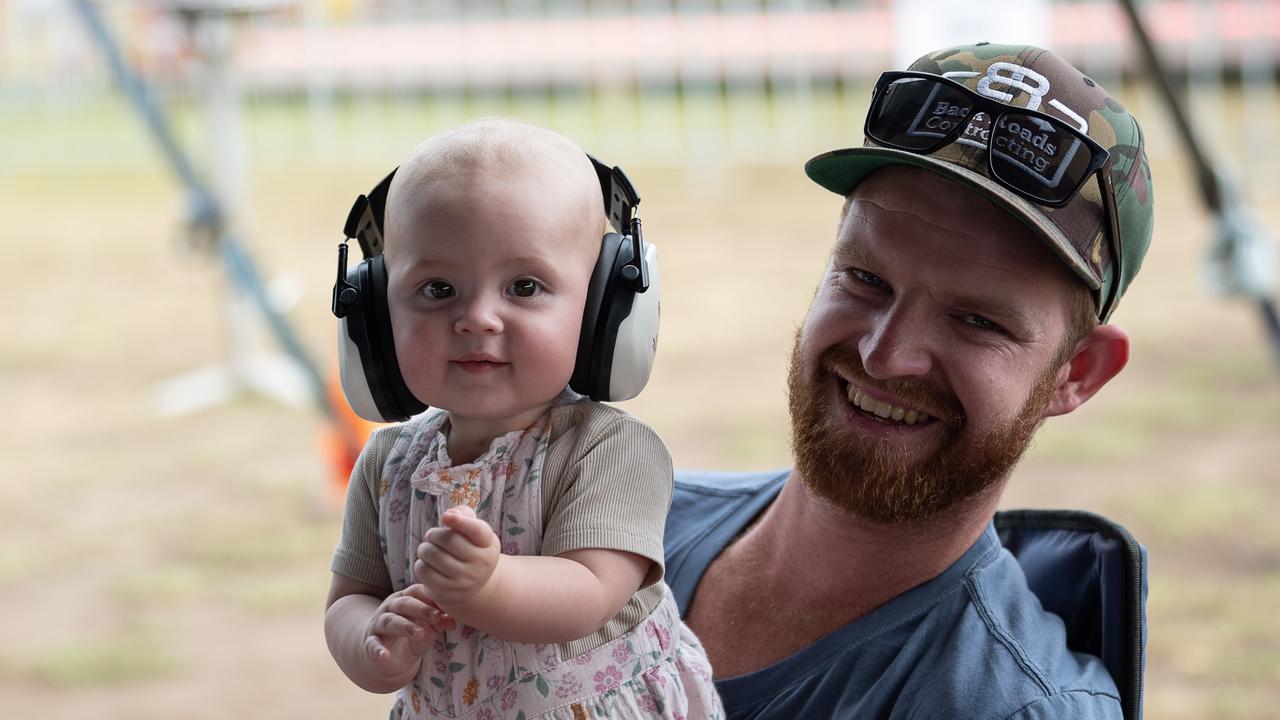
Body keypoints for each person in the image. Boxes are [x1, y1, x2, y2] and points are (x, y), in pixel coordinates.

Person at [663, 43, 1154, 719]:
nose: (886, 355)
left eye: (977, 320)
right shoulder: (598, 532)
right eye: (866, 279)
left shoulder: (1013, 708)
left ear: (1077, 374)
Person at [324, 118, 722, 719]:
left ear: (602, 309)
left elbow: (589, 591)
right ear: (376, 314)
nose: (478, 318)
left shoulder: (610, 450)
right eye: (437, 289)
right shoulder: (387, 465)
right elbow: (350, 598)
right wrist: (373, 640)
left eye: (525, 286)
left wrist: (488, 587)